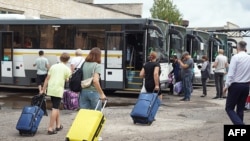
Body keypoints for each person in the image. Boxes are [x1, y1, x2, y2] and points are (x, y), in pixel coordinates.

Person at [41, 52, 71, 135]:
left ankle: (58, 125)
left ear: (60, 58)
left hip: (51, 89)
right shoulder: (67, 69)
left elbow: (47, 79)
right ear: (68, 60)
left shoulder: (53, 66)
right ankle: (50, 128)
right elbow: (67, 80)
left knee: (56, 106)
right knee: (55, 108)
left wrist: (43, 89)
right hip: (58, 90)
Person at [223, 40, 250, 125]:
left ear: (237, 48)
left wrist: (226, 85)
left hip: (236, 85)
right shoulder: (249, 58)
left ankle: (240, 125)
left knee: (229, 108)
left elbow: (231, 73)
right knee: (240, 109)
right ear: (245, 48)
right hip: (246, 85)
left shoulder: (235, 57)